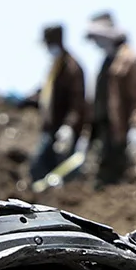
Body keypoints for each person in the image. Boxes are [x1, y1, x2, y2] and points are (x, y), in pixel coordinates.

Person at [85, 12, 136, 187]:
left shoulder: (130, 60)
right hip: (105, 130)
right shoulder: (107, 60)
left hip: (120, 131)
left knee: (116, 177)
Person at [28, 24, 88, 184]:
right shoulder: (55, 66)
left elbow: (77, 103)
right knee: (40, 170)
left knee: (60, 171)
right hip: (50, 129)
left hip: (63, 132)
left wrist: (68, 127)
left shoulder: (72, 68)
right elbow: (48, 94)